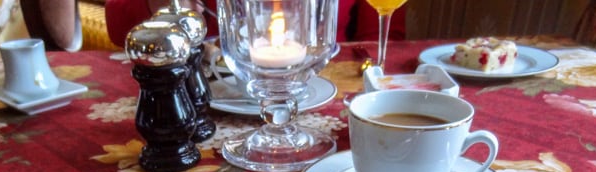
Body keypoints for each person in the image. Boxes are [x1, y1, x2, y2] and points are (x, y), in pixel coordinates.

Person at [103, 0, 405, 49]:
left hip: (323, 94)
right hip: (207, 98)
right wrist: (157, 4)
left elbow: (381, 41)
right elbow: (117, 28)